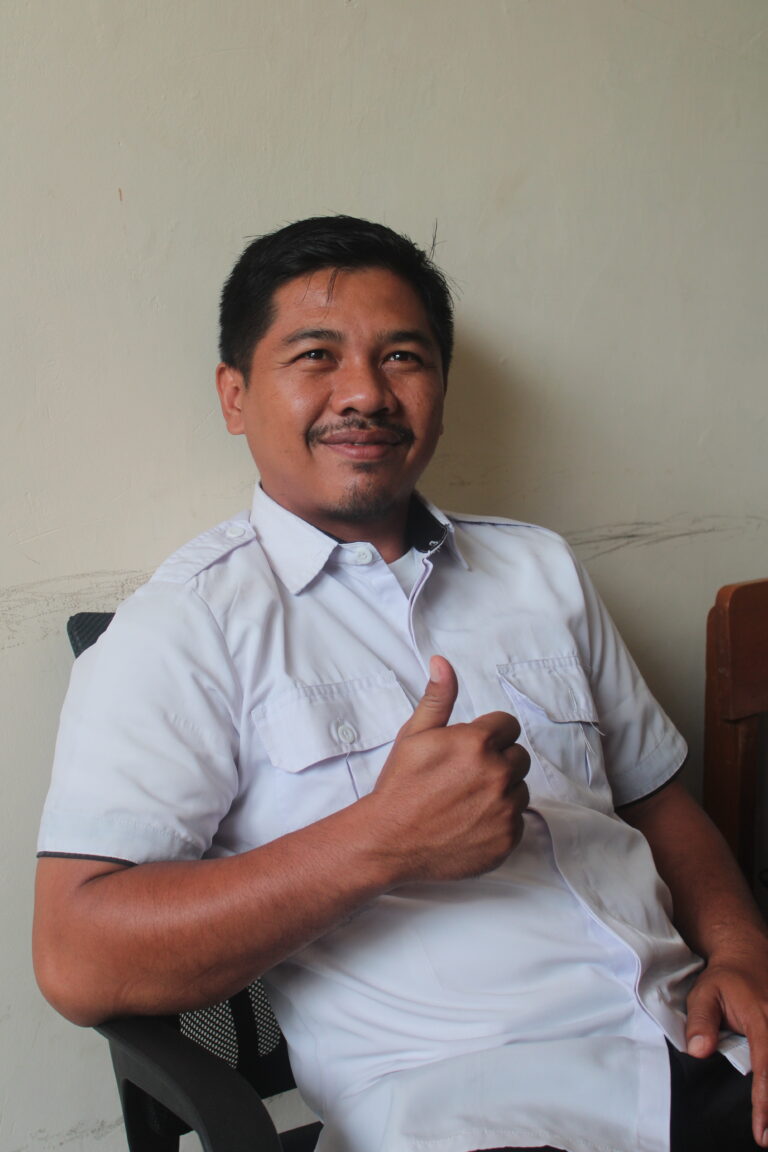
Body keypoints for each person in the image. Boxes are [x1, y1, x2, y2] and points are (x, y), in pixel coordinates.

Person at [34, 216, 768, 1152]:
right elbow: (77, 955)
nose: (366, 394)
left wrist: (742, 950)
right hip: (468, 1108)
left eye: (403, 358)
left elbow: (655, 797)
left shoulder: (539, 569)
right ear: (234, 394)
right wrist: (380, 842)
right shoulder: (183, 630)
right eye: (315, 355)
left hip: (698, 1051)